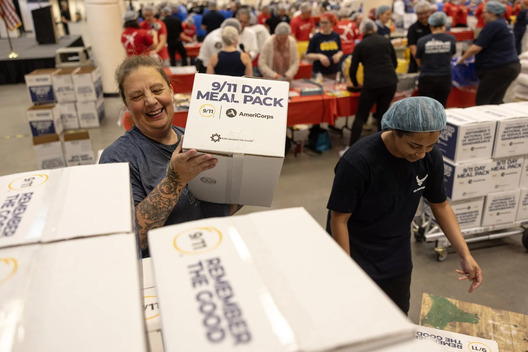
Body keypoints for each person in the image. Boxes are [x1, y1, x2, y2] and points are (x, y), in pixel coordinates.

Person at [327, 97, 483, 314]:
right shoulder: (358, 162)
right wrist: (347, 269)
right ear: (395, 131)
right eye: (414, 145)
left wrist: (465, 254)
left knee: (395, 317)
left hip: (396, 254)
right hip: (355, 250)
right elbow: (339, 219)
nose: (421, 153)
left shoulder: (429, 158)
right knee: (354, 318)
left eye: (430, 145)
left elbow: (440, 205)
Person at [100, 56, 239, 257]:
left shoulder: (197, 140)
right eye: (137, 96)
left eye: (157, 90)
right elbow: (131, 239)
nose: (150, 101)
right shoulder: (117, 158)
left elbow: (221, 212)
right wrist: (175, 180)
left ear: (171, 91)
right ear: (126, 104)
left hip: (214, 252)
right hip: (164, 270)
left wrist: (246, 180)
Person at [456, 1, 520, 105]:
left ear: (493, 13)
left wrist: (461, 60)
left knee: (483, 103)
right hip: (509, 67)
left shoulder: (493, 24)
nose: (482, 15)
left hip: (498, 69)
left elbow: (475, 48)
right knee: (495, 102)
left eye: (484, 12)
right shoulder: (503, 23)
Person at [347, 19, 397, 146]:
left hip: (371, 84)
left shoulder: (361, 45)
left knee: (360, 115)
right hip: (390, 82)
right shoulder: (386, 41)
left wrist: (355, 83)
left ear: (362, 31)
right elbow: (394, 63)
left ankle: (351, 146)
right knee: (382, 115)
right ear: (375, 29)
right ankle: (383, 147)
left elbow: (352, 69)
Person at [415, 12, 456, 107]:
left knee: (427, 108)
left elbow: (418, 60)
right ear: (443, 25)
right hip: (444, 77)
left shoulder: (422, 41)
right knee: (441, 107)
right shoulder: (451, 39)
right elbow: (451, 56)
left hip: (427, 77)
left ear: (431, 25)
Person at [304, 12, 343, 79]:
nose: (323, 25)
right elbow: (308, 55)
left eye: (325, 23)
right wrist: (320, 56)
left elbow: (340, 51)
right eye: (321, 22)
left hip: (333, 72)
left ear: (332, 23)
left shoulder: (336, 36)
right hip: (318, 73)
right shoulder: (316, 37)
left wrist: (338, 55)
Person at [407, 2, 434, 73]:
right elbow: (413, 48)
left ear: (430, 12)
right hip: (417, 65)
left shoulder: (435, 26)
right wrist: (421, 65)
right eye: (420, 14)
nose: (423, 16)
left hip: (433, 63)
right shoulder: (413, 28)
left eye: (425, 13)